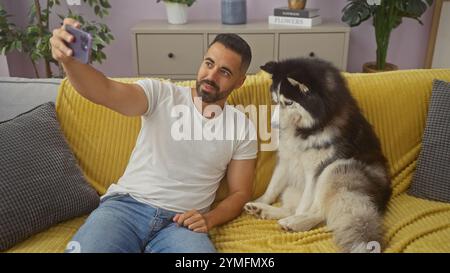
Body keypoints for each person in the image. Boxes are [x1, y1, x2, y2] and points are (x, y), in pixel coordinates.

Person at [50, 18, 257, 253]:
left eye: (225, 72)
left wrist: (209, 219)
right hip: (125, 208)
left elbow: (241, 193)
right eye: (208, 63)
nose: (211, 75)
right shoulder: (161, 93)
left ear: (240, 82)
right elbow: (104, 91)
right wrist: (69, 61)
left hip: (181, 225)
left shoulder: (243, 127)